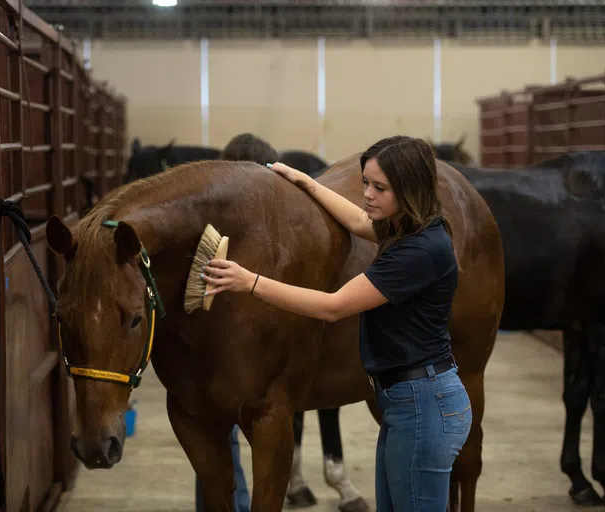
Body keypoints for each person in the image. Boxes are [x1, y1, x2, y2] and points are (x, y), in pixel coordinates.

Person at [200, 135, 473, 511]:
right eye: (365, 183)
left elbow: (333, 306)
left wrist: (250, 282)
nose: (368, 195)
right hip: (404, 399)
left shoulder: (416, 252)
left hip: (422, 405)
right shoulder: (411, 228)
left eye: (380, 187)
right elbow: (358, 220)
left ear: (409, 190)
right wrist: (306, 182)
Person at [195, 131, 278, 512]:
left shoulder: (206, 224)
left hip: (216, 362)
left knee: (215, 439)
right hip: (243, 358)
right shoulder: (274, 227)